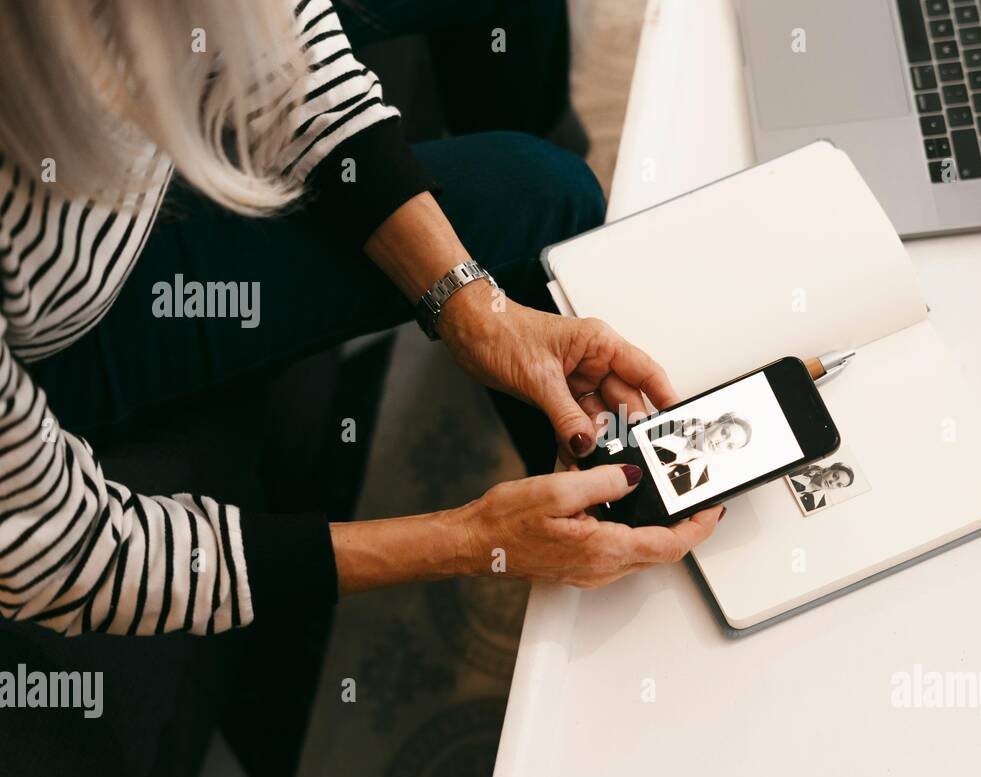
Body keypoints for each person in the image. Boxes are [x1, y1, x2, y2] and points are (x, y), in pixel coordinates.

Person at [0, 0, 723, 646]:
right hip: (77, 317)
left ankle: (585, 452)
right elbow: (64, 552)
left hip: (124, 156)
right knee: (544, 195)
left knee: (534, 204)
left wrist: (473, 308)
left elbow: (278, 40)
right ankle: (593, 523)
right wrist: (474, 538)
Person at [647, 413, 752, 496]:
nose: (720, 443)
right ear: (715, 423)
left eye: (730, 446)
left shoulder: (700, 481)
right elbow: (632, 438)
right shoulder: (671, 427)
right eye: (724, 433)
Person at [789, 462, 855, 513]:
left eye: (839, 485)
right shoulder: (797, 471)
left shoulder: (820, 506)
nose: (832, 482)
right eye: (834, 476)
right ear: (828, 469)